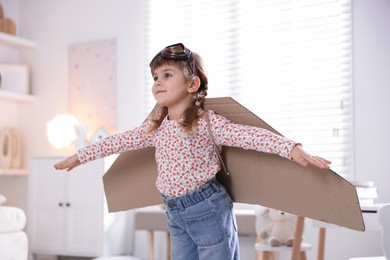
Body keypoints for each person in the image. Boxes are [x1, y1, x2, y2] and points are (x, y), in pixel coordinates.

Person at [54, 43, 331, 260]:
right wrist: (81, 156)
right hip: (174, 211)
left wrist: (290, 147)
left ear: (192, 84)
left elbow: (249, 136)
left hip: (207, 209)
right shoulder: (157, 128)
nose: (157, 82)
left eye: (166, 75)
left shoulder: (207, 123)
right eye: (154, 77)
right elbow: (119, 141)